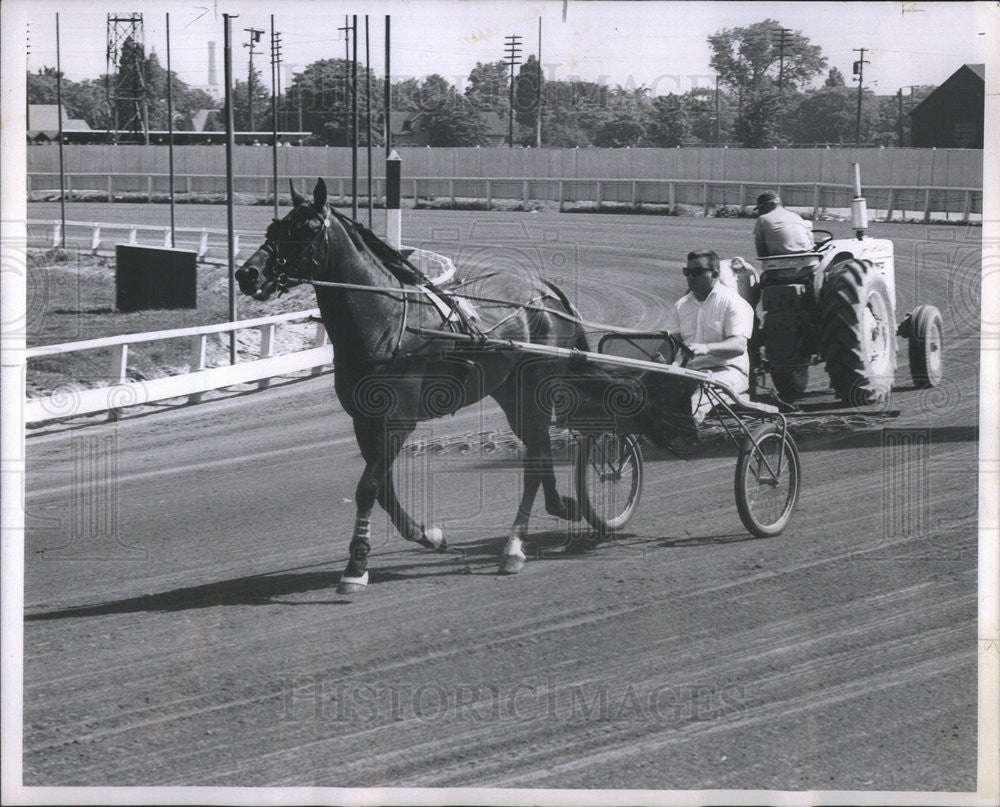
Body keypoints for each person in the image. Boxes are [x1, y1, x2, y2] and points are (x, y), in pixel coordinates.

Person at [648, 250, 755, 452]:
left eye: (697, 272)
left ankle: (681, 443)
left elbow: (738, 346)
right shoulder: (682, 305)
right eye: (687, 272)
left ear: (714, 273)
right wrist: (661, 358)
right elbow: (672, 342)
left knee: (694, 403)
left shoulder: (733, 303)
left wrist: (706, 348)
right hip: (691, 373)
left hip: (728, 371)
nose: (690, 277)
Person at [753, 190, 814, 257]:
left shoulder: (763, 219)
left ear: (771, 204)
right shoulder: (795, 216)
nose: (760, 211)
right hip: (807, 256)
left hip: (781, 259)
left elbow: (760, 248)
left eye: (761, 208)